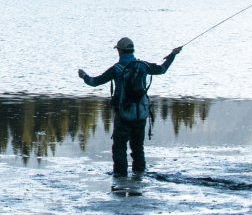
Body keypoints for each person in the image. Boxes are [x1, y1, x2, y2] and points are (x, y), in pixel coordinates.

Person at [77, 37, 182, 177]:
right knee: (138, 148)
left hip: (123, 114)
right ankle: (139, 175)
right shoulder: (143, 65)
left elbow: (94, 82)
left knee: (119, 147)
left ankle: (120, 175)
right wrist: (173, 55)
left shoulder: (116, 69)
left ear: (119, 51)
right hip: (140, 114)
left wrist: (83, 76)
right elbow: (162, 69)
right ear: (132, 50)